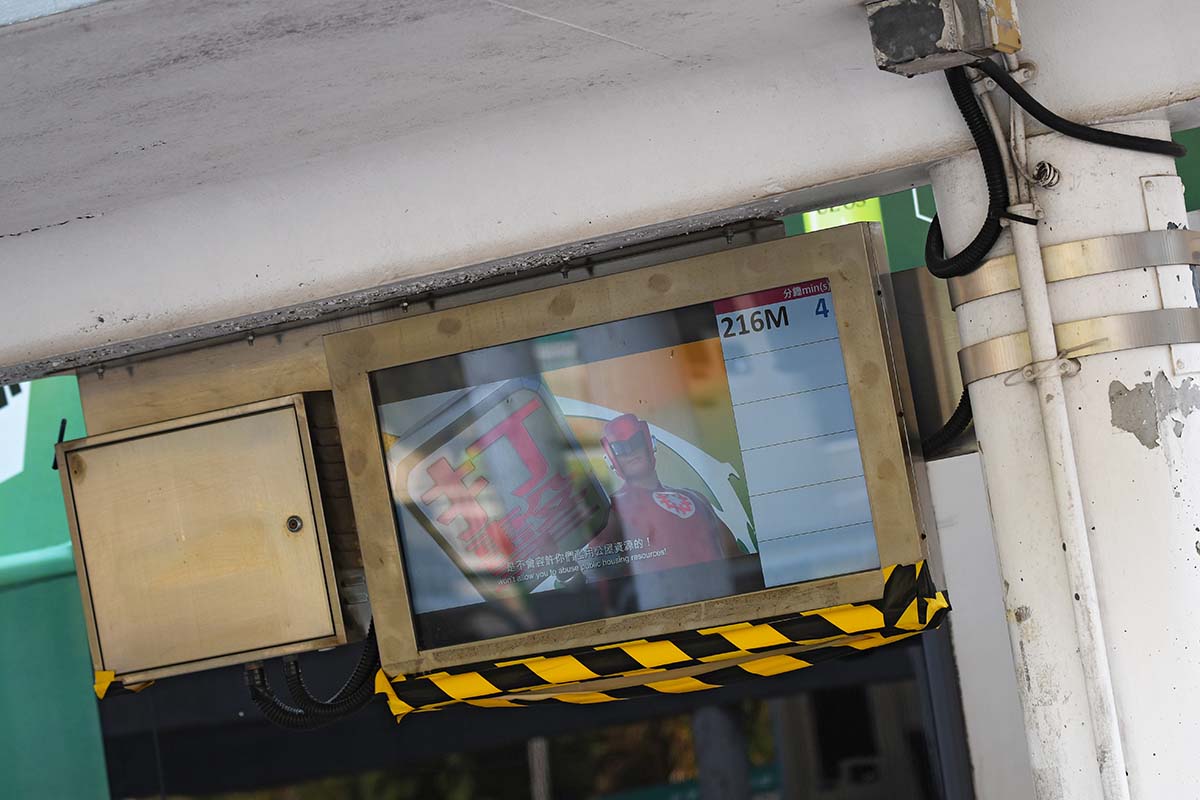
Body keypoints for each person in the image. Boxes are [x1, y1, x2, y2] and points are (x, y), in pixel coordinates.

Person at [591, 413, 741, 574]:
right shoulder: (611, 509)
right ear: (611, 458)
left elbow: (735, 555)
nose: (630, 452)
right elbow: (598, 572)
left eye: (635, 442)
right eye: (620, 448)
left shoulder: (694, 497)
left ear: (649, 442)